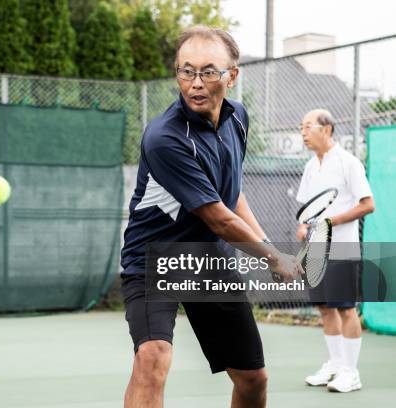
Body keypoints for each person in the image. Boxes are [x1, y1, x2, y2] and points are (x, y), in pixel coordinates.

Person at [120, 26, 301, 408]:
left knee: (253, 380)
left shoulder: (238, 119)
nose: (196, 83)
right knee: (152, 356)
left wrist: (270, 246)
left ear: (232, 75)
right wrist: (273, 256)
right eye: (186, 71)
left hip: (208, 260)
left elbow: (232, 196)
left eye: (208, 71)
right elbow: (218, 217)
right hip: (154, 258)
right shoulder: (165, 137)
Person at [297, 109, 374, 393]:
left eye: (308, 127)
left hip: (342, 247)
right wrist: (304, 226)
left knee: (345, 308)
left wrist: (331, 222)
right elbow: (306, 209)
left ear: (326, 129)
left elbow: (368, 204)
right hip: (316, 250)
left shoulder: (349, 163)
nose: (303, 132)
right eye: (301, 127)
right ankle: (335, 365)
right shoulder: (310, 166)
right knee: (325, 308)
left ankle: (351, 373)